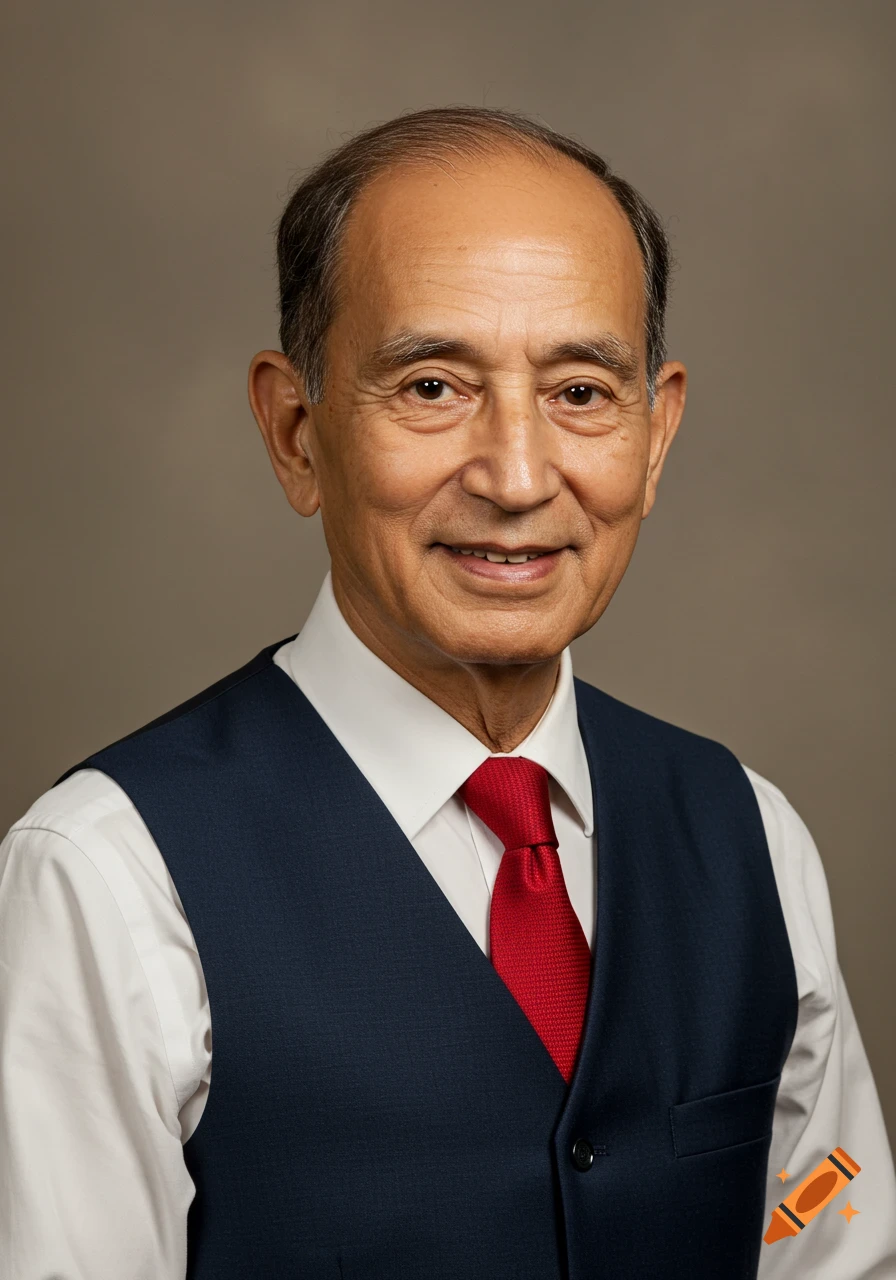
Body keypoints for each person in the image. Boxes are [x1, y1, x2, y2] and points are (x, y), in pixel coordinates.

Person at [1, 106, 893, 1279]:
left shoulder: (751, 837)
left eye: (580, 391)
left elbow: (824, 1246)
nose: (516, 477)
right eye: (431, 385)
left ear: (655, 432)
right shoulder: (108, 876)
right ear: (295, 431)